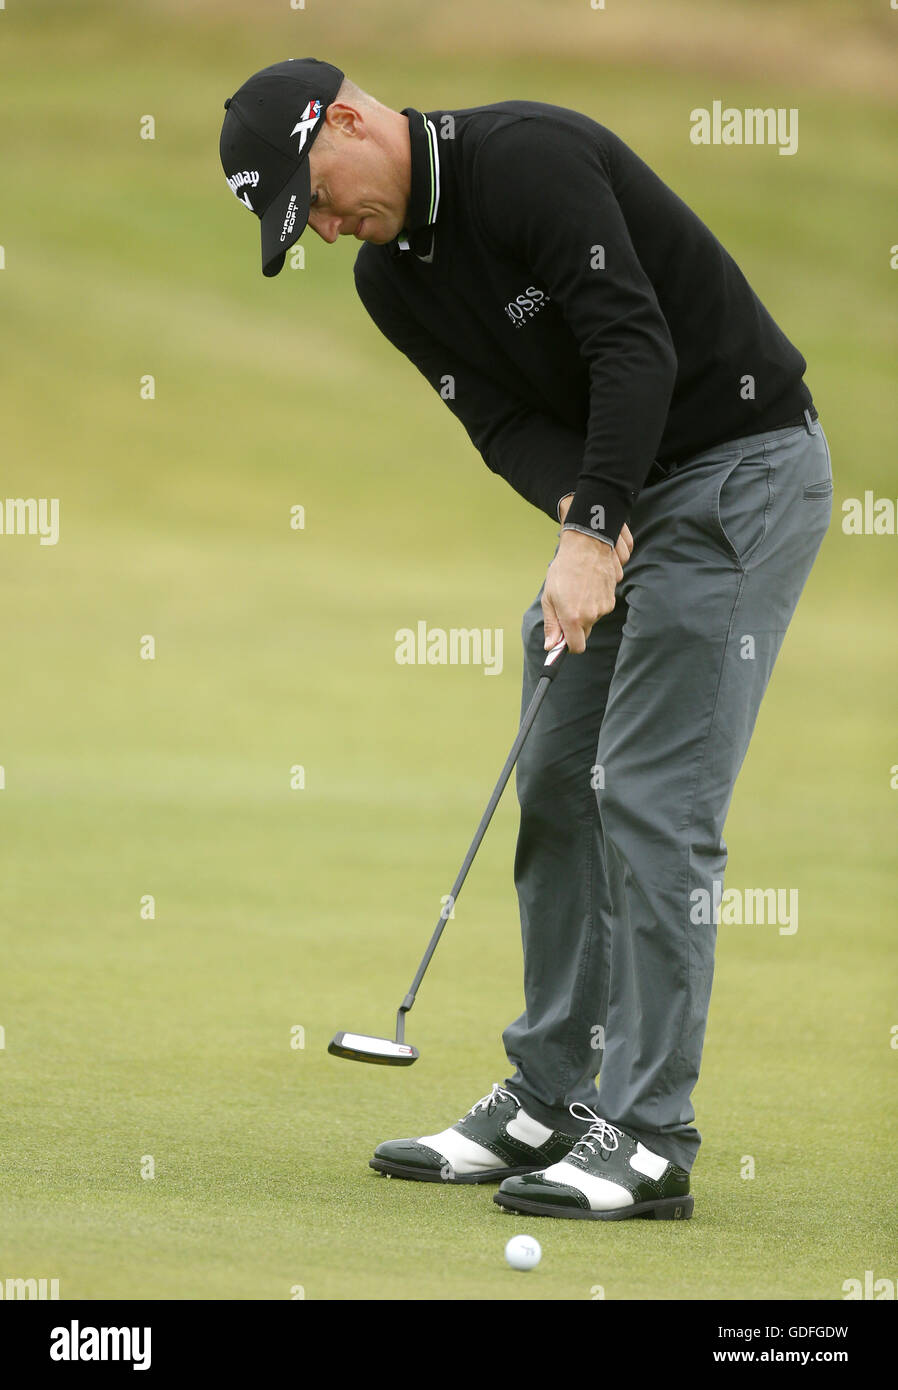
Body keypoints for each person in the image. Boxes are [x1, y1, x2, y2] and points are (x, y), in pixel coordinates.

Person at [220, 58, 833, 1222]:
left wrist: (597, 529)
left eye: (322, 196)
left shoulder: (529, 160)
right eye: (308, 225)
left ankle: (649, 1134)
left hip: (742, 474)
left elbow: (631, 346)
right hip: (627, 501)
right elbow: (499, 421)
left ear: (347, 118)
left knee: (652, 795)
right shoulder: (388, 282)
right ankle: (554, 1094)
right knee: (556, 773)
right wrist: (585, 520)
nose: (333, 227)